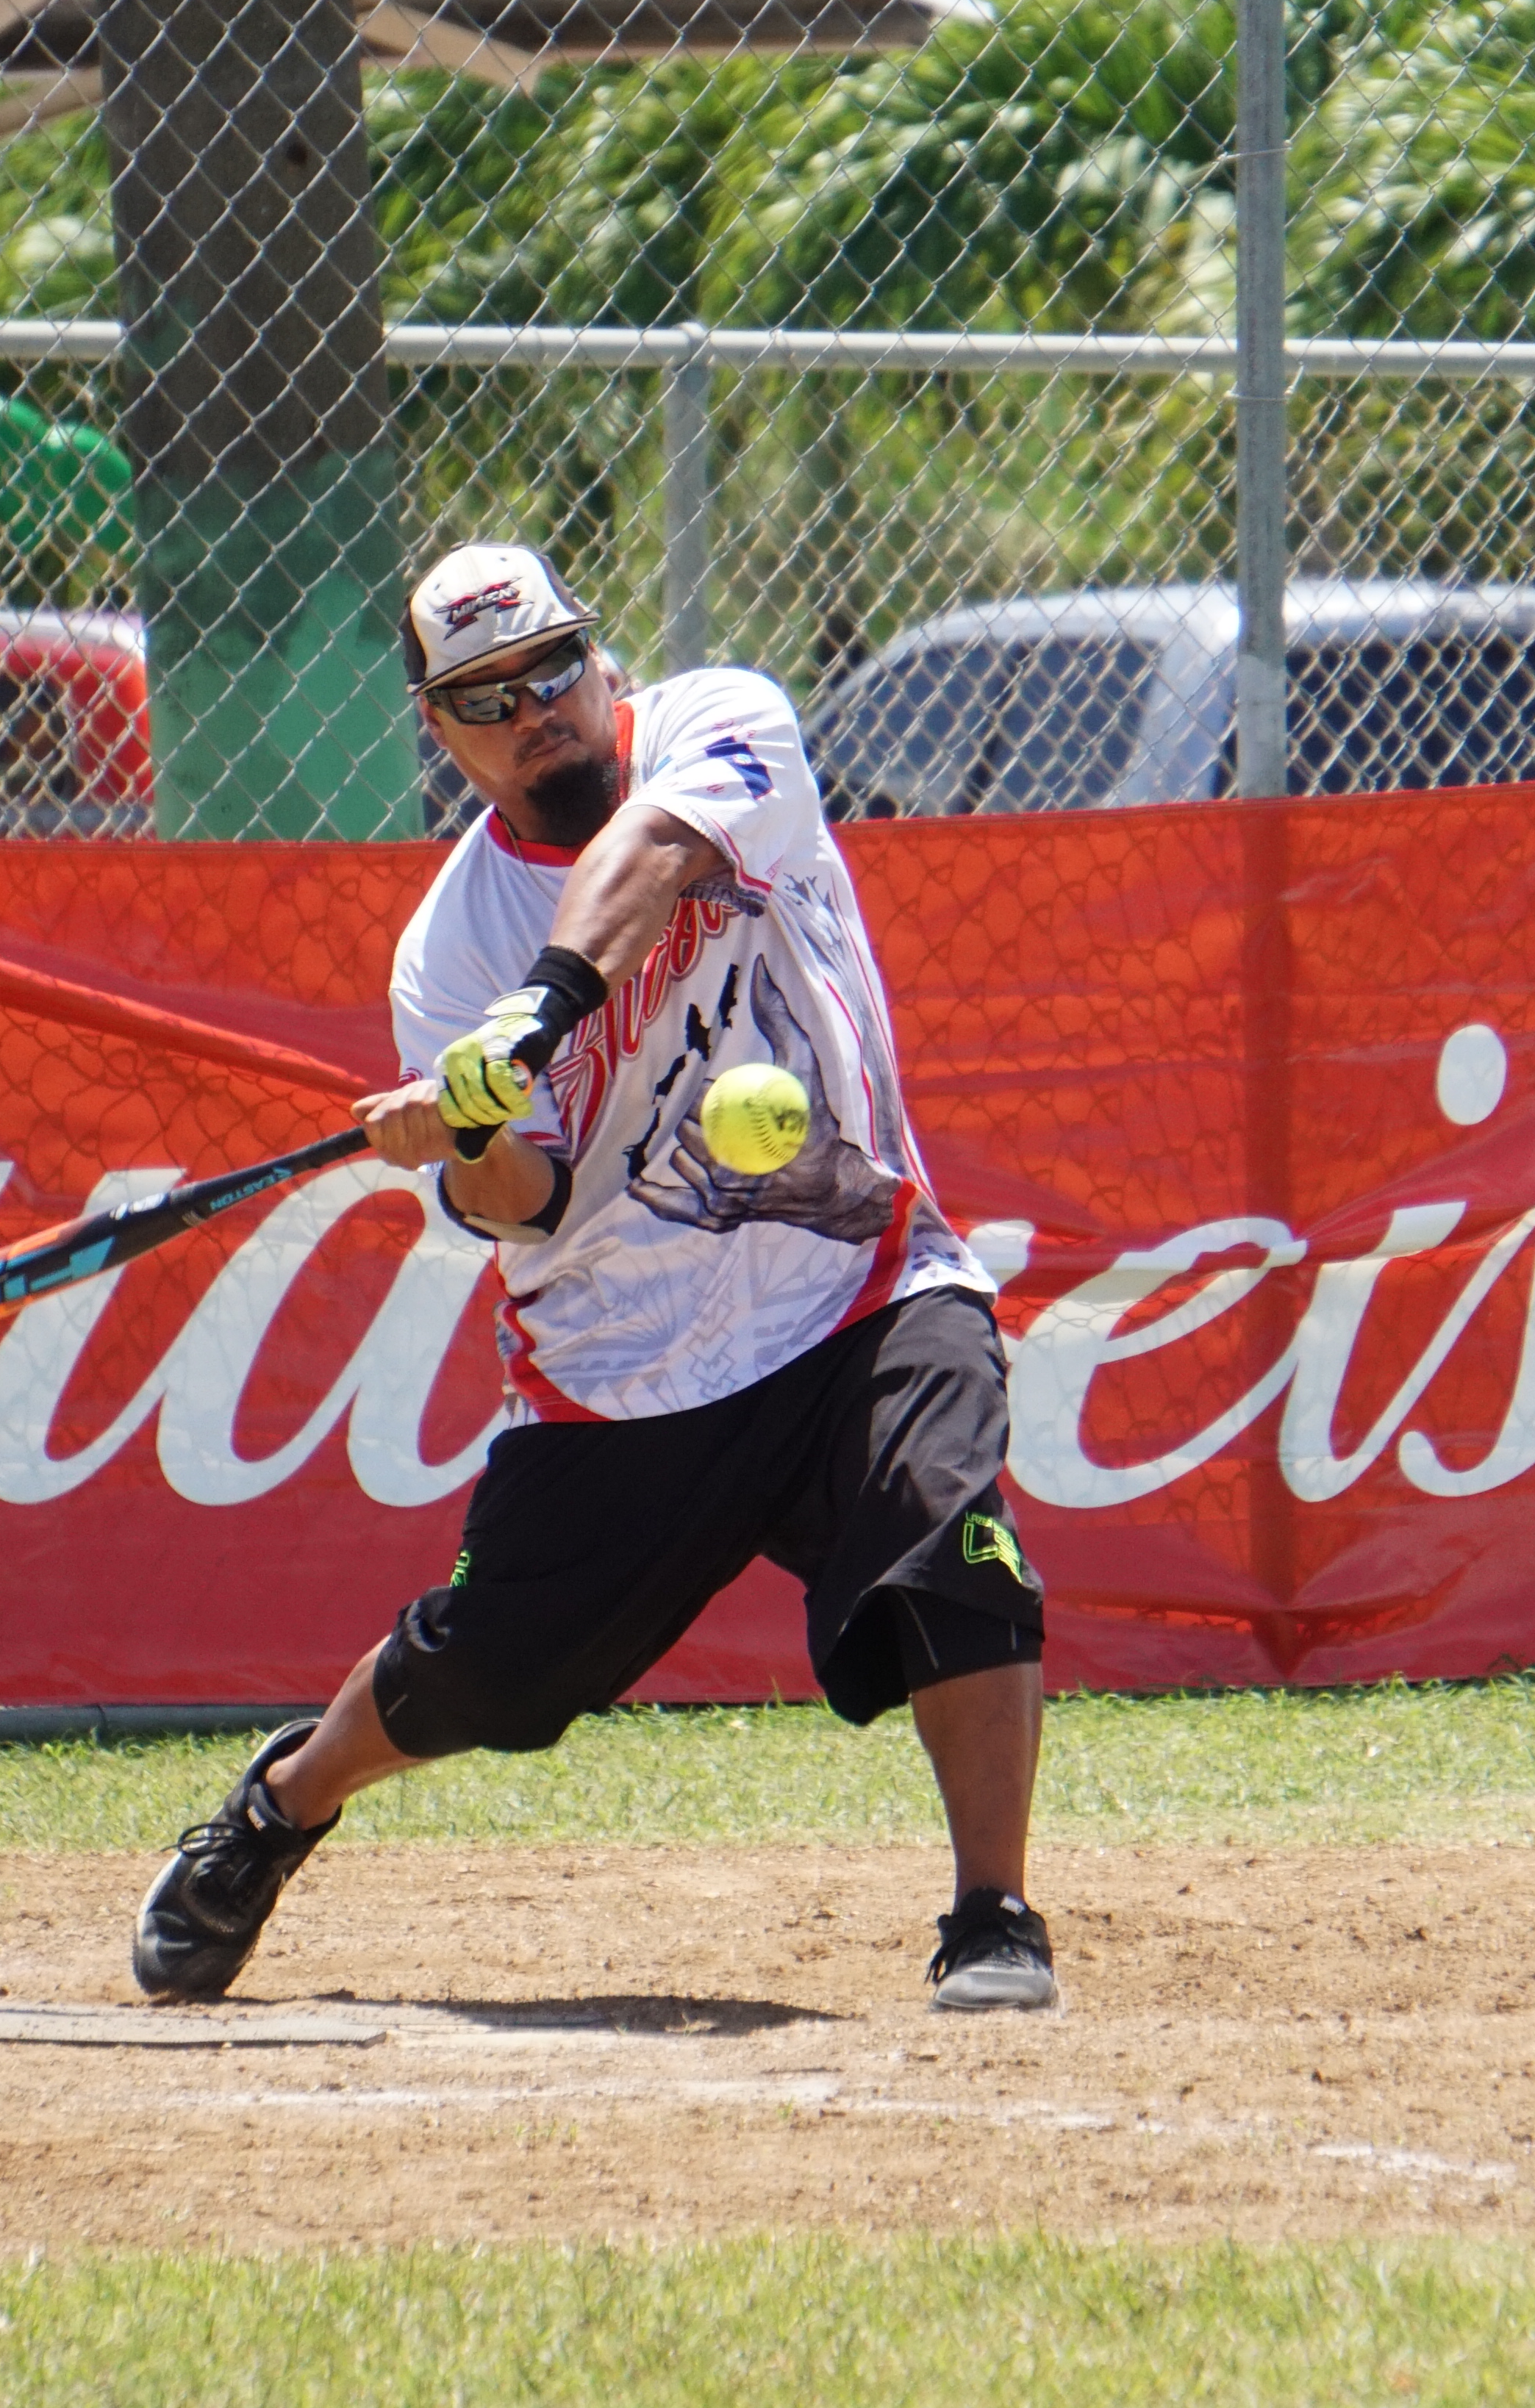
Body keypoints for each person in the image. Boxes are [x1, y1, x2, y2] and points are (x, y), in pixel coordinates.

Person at [132, 542, 1062, 2011]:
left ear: (601, 659)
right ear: (440, 729)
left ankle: (993, 1914)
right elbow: (524, 1202)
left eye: (551, 667)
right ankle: (285, 1800)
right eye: (484, 695)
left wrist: (534, 1017)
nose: (534, 709)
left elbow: (655, 856)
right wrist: (478, 1123)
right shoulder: (446, 947)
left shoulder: (725, 721)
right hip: (621, 1363)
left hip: (855, 1276)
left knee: (955, 1540)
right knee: (487, 1672)